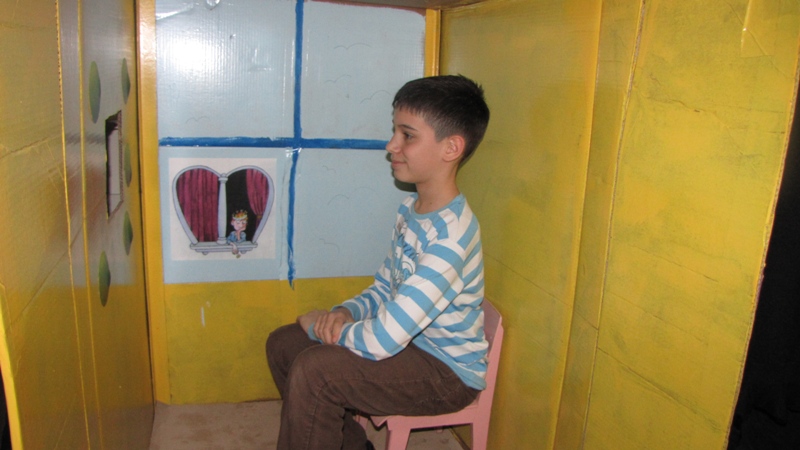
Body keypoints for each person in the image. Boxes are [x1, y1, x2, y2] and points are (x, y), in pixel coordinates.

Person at [266, 75, 491, 450]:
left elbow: (383, 340)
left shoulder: (451, 238)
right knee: (284, 344)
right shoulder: (412, 209)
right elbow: (386, 287)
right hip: (410, 343)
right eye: (395, 131)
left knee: (317, 371)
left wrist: (322, 329)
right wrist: (344, 313)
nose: (392, 146)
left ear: (451, 148)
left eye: (407, 135)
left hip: (446, 374)